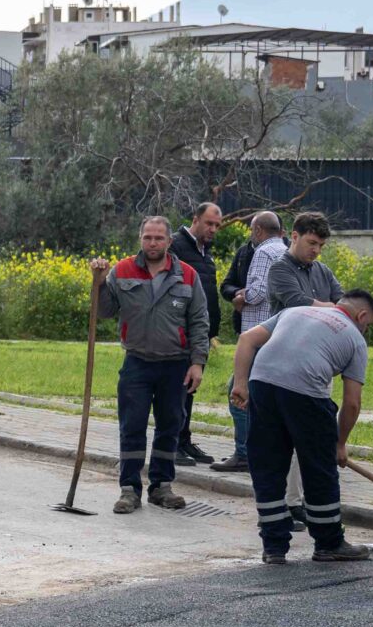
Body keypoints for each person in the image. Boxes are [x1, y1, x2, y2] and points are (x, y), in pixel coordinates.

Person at [228, 291, 373, 566]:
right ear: (362, 316)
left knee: (268, 467)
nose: (365, 330)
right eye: (368, 325)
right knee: (319, 469)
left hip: (262, 384)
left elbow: (247, 339)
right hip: (306, 394)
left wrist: (240, 383)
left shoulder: (293, 311)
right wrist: (339, 444)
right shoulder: (355, 338)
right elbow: (352, 403)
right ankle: (329, 543)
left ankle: (274, 547)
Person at [89, 216, 210, 514]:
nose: (152, 243)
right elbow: (104, 311)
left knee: (170, 426)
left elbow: (199, 321)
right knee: (132, 426)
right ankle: (129, 490)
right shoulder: (122, 270)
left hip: (175, 365)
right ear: (140, 238)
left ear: (169, 241)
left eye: (158, 238)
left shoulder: (188, 275)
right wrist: (99, 282)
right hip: (137, 364)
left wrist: (198, 362)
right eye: (147, 237)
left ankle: (161, 487)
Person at [211, 210, 286, 473]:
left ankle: (244, 453)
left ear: (258, 231)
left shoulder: (263, 252)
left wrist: (241, 296)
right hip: (278, 335)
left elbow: (257, 293)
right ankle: (266, 452)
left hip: (257, 336)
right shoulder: (284, 250)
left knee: (238, 392)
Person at [167, 202, 223, 465]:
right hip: (179, 332)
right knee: (175, 390)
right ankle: (171, 443)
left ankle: (184, 438)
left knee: (190, 388)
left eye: (217, 226)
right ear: (196, 219)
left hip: (201, 333)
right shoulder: (176, 246)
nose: (213, 229)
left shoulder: (205, 253)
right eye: (209, 223)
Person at [262, 211, 345, 317]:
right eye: (312, 243)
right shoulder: (279, 268)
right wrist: (332, 308)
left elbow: (342, 301)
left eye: (321, 245)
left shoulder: (323, 270)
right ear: (295, 237)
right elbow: (298, 303)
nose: (317, 250)